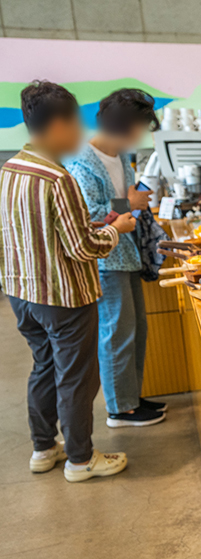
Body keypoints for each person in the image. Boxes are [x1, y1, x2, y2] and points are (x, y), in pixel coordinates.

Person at [0, 81, 134, 482]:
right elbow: (81, 248)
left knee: (43, 366)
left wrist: (90, 226)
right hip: (65, 295)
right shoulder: (59, 179)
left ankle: (44, 448)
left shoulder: (10, 170)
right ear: (57, 124)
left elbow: (33, 230)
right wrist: (117, 229)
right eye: (75, 122)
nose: (79, 132)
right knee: (77, 377)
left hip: (22, 293)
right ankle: (80, 458)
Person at [67, 89, 167, 427]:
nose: (142, 134)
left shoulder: (120, 156)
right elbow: (88, 215)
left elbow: (120, 197)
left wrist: (132, 198)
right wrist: (130, 204)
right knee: (117, 331)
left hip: (127, 253)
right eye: (141, 126)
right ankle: (120, 408)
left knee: (136, 327)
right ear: (125, 125)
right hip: (105, 258)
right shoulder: (82, 161)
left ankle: (131, 396)